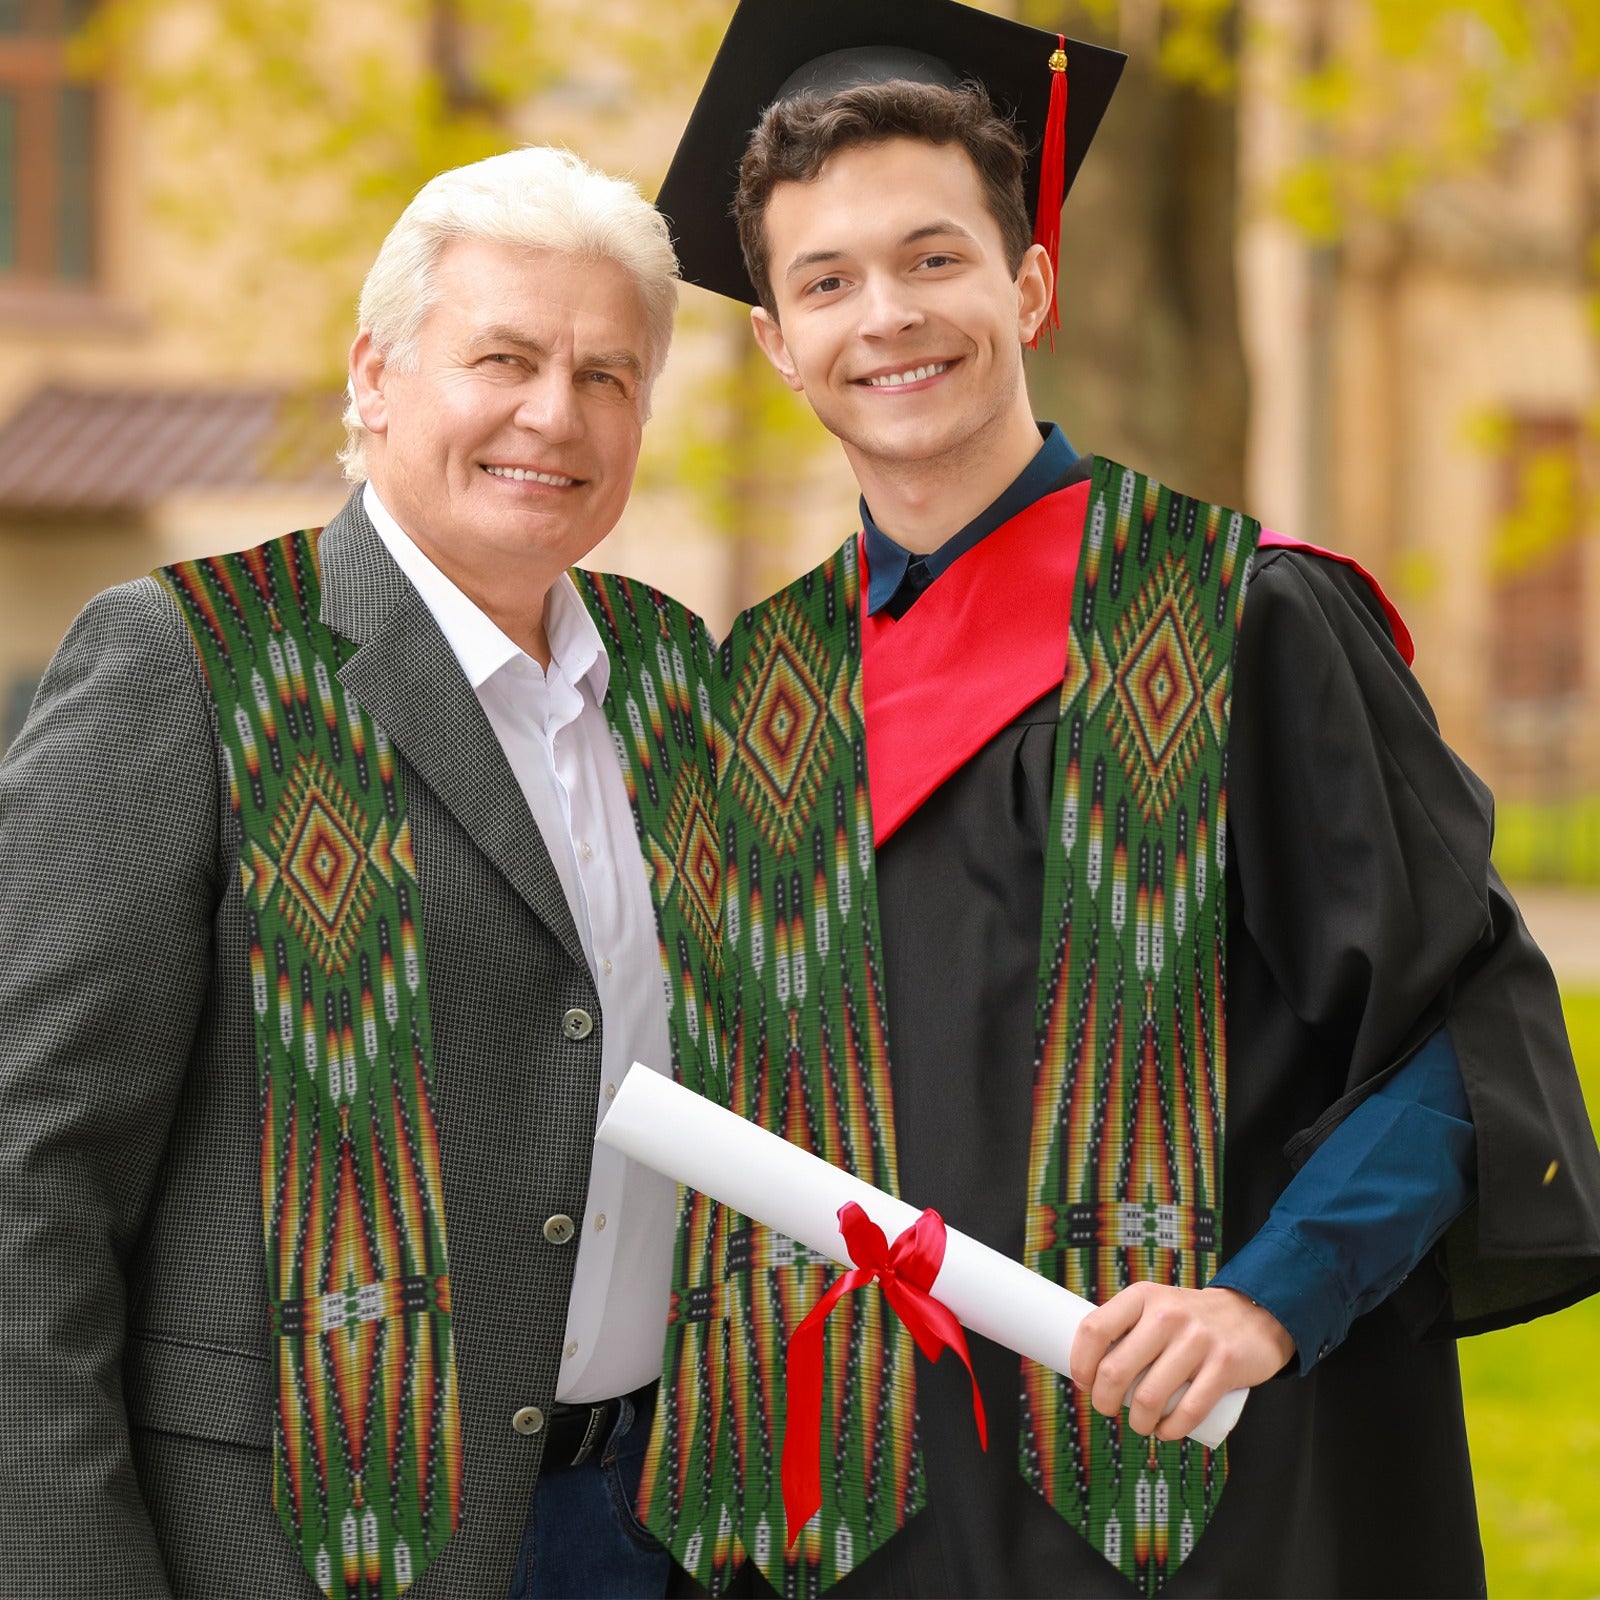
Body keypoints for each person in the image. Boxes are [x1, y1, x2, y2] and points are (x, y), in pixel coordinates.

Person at [633, 2, 1600, 1595]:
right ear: (777, 342)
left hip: (1201, 1496)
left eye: (935, 259)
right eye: (827, 281)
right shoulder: (766, 695)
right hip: (866, 1527)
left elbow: (1459, 1036)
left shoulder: (1242, 621)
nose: (887, 316)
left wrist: (1267, 1300)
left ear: (1029, 282)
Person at [0, 146, 719, 1599]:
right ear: (375, 377)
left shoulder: (669, 673)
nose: (552, 414)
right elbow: (29, 1171)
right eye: (503, 357)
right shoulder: (191, 661)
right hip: (291, 1546)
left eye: (606, 375)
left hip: (647, 1528)